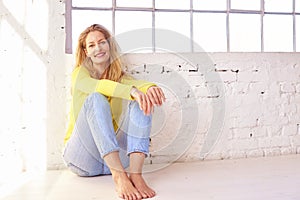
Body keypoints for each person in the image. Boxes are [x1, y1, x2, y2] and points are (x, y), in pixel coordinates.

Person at [62, 24, 165, 200]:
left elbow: (137, 84)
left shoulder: (119, 76)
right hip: (82, 159)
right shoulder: (79, 74)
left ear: (109, 45)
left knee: (141, 100)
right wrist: (131, 91)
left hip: (117, 159)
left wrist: (150, 87)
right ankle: (119, 178)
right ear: (86, 52)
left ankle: (136, 175)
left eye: (102, 42)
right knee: (96, 98)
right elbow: (99, 86)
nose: (98, 48)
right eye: (91, 45)